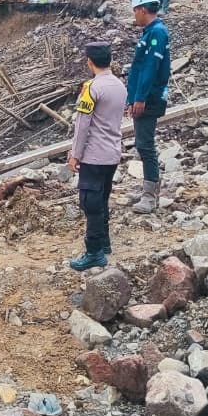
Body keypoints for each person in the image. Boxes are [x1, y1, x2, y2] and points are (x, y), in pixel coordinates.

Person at [67, 41, 127, 271]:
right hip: (112, 153)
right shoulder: (120, 86)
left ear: (89, 62)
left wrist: (75, 154)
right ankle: (104, 242)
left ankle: (94, 252)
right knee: (102, 198)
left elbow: (83, 125)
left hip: (93, 154)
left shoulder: (91, 88)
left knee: (90, 202)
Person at [125, 0, 171, 214]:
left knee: (145, 144)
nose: (134, 15)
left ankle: (150, 195)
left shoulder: (157, 33)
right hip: (142, 96)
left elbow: (150, 68)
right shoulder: (150, 32)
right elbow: (138, 69)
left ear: (142, 9)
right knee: (142, 144)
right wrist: (131, 97)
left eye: (135, 11)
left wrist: (140, 97)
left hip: (150, 98)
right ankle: (147, 187)